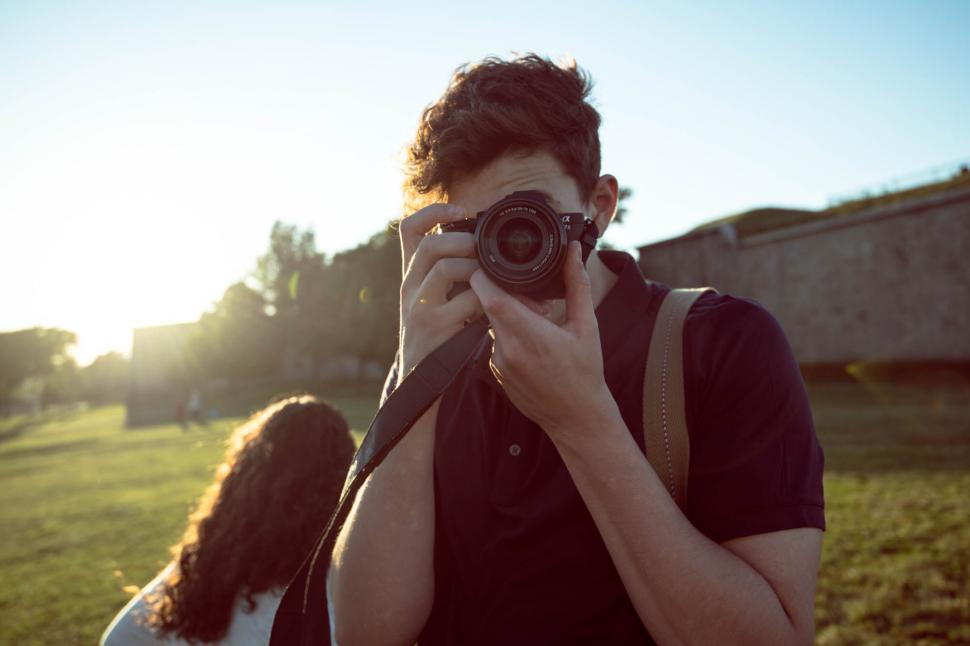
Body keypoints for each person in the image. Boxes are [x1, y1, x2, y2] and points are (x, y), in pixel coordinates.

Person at [328, 53, 825, 644]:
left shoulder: (721, 343)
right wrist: (416, 372)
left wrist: (583, 419)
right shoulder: (435, 360)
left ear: (599, 205)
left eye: (529, 215)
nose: (507, 248)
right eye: (476, 229)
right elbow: (365, 632)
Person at [101, 395, 355, 645]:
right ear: (344, 476)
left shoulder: (210, 561)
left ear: (246, 475)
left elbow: (119, 638)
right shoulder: (350, 584)